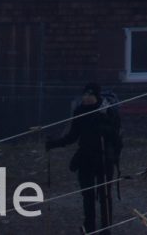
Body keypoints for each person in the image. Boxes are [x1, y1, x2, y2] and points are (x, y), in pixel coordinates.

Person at [46, 82, 123, 233]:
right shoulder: (80, 111)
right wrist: (54, 143)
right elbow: (73, 136)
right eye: (85, 95)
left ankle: (106, 228)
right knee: (87, 195)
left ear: (96, 96)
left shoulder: (106, 111)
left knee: (104, 195)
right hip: (86, 158)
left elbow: (115, 135)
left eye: (90, 95)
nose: (86, 98)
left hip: (103, 158)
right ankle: (89, 227)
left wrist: (104, 127)